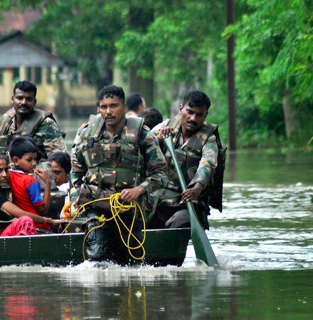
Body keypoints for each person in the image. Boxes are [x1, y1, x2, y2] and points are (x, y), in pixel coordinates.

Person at [71, 85, 168, 262]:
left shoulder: (141, 134)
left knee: (130, 262)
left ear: (124, 107)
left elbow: (161, 174)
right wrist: (77, 197)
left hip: (129, 209)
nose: (108, 111)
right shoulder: (86, 134)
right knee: (97, 258)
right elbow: (76, 172)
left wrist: (138, 190)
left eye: (113, 106)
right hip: (96, 207)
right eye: (104, 107)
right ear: (98, 108)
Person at [150, 90, 224, 230]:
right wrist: (158, 140)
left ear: (205, 115)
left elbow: (207, 164)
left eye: (199, 115)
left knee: (179, 222)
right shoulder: (165, 126)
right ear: (181, 109)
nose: (193, 118)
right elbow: (140, 148)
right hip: (158, 201)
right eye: (189, 112)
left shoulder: (209, 138)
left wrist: (197, 187)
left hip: (187, 204)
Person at [0, 155, 66, 237]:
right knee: (25, 221)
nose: (4, 174)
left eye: (6, 170)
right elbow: (20, 213)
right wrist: (48, 220)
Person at [0, 80, 67, 160]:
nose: (24, 102)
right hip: (8, 171)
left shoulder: (47, 124)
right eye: (19, 98)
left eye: (28, 99)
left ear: (34, 102)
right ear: (12, 99)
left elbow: (60, 162)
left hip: (35, 171)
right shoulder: (5, 123)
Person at [8, 137, 53, 230]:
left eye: (35, 159)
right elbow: (43, 211)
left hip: (15, 225)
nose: (34, 163)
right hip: (36, 226)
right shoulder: (30, 181)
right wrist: (47, 182)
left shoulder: (7, 175)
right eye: (29, 160)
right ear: (16, 161)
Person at [48, 151, 72, 219]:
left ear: (67, 173)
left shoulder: (71, 189)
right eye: (51, 172)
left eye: (57, 172)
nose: (53, 176)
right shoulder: (45, 187)